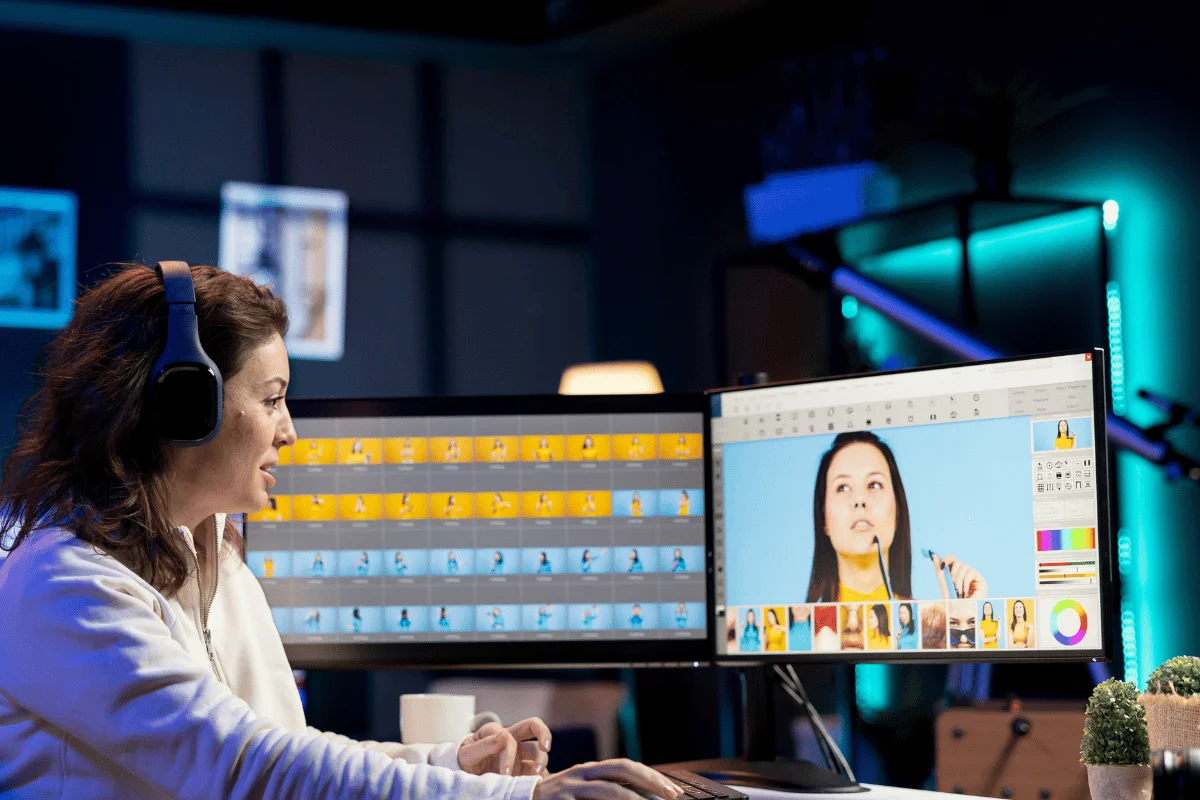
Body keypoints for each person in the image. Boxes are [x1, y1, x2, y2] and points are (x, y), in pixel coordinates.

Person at [0, 262, 678, 800]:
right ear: (184, 408)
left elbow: (284, 745)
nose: (289, 431)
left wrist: (450, 764)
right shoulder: (62, 587)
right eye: (271, 400)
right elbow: (246, 769)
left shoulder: (213, 557)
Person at [807, 431, 987, 603]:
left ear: (897, 512)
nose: (860, 500)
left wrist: (963, 617)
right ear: (824, 518)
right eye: (843, 488)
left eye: (874, 484)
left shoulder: (929, 627)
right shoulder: (791, 631)